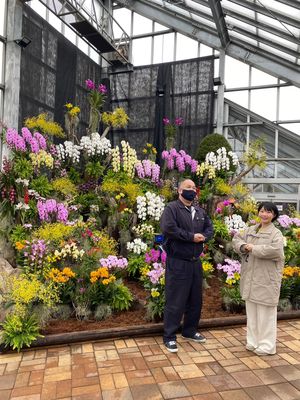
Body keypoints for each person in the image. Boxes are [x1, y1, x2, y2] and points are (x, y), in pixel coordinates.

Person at [160, 179, 214, 353]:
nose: (191, 190)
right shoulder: (172, 209)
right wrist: (191, 237)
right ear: (179, 191)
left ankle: (189, 331)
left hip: (195, 262)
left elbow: (209, 229)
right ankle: (169, 336)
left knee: (195, 299)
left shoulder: (199, 211)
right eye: (187, 188)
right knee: (175, 299)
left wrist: (204, 237)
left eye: (193, 188)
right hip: (178, 262)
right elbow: (169, 229)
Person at [232, 202, 284, 356]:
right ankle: (253, 341)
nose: (264, 214)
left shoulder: (276, 234)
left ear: (274, 215)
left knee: (266, 314)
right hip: (251, 278)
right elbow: (236, 240)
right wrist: (243, 246)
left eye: (268, 212)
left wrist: (252, 248)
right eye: (262, 211)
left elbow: (276, 251)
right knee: (252, 312)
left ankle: (267, 345)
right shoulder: (251, 230)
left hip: (266, 280)